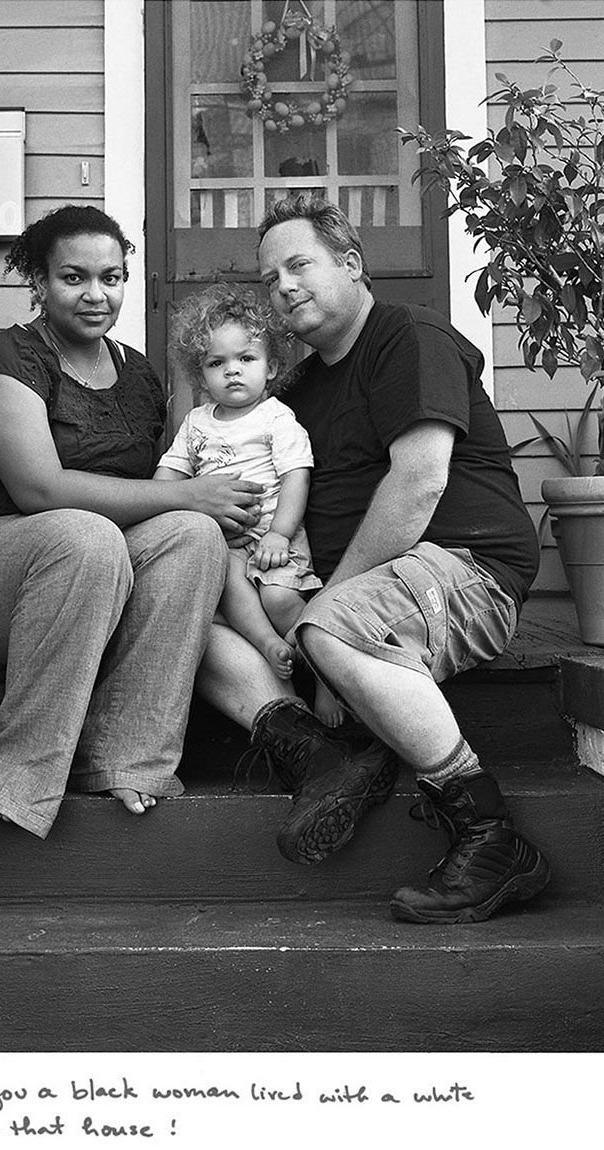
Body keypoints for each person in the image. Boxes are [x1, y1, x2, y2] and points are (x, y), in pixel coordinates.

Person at [197, 194, 550, 924]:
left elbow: (419, 483)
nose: (284, 286)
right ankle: (325, 759)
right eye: (270, 278)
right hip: (352, 591)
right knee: (192, 616)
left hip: (464, 568)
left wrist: (324, 615)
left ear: (352, 264)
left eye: (300, 265)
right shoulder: (295, 392)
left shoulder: (408, 337)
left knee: (329, 627)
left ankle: (491, 833)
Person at [0, 205, 263, 838]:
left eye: (112, 277)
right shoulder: (8, 357)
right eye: (74, 278)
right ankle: (19, 776)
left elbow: (159, 493)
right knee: (86, 532)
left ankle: (130, 758)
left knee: (193, 534)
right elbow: (39, 489)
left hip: (90, 578)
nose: (96, 294)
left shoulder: (139, 374)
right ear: (40, 283)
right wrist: (190, 495)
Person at [154, 284, 341, 726]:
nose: (232, 371)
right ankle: (268, 645)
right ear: (200, 376)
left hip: (275, 536)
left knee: (278, 597)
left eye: (246, 359)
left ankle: (329, 676)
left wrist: (279, 533)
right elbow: (167, 480)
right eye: (216, 363)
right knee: (232, 588)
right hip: (226, 543)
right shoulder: (196, 424)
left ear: (271, 366)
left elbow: (296, 475)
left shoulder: (276, 417)